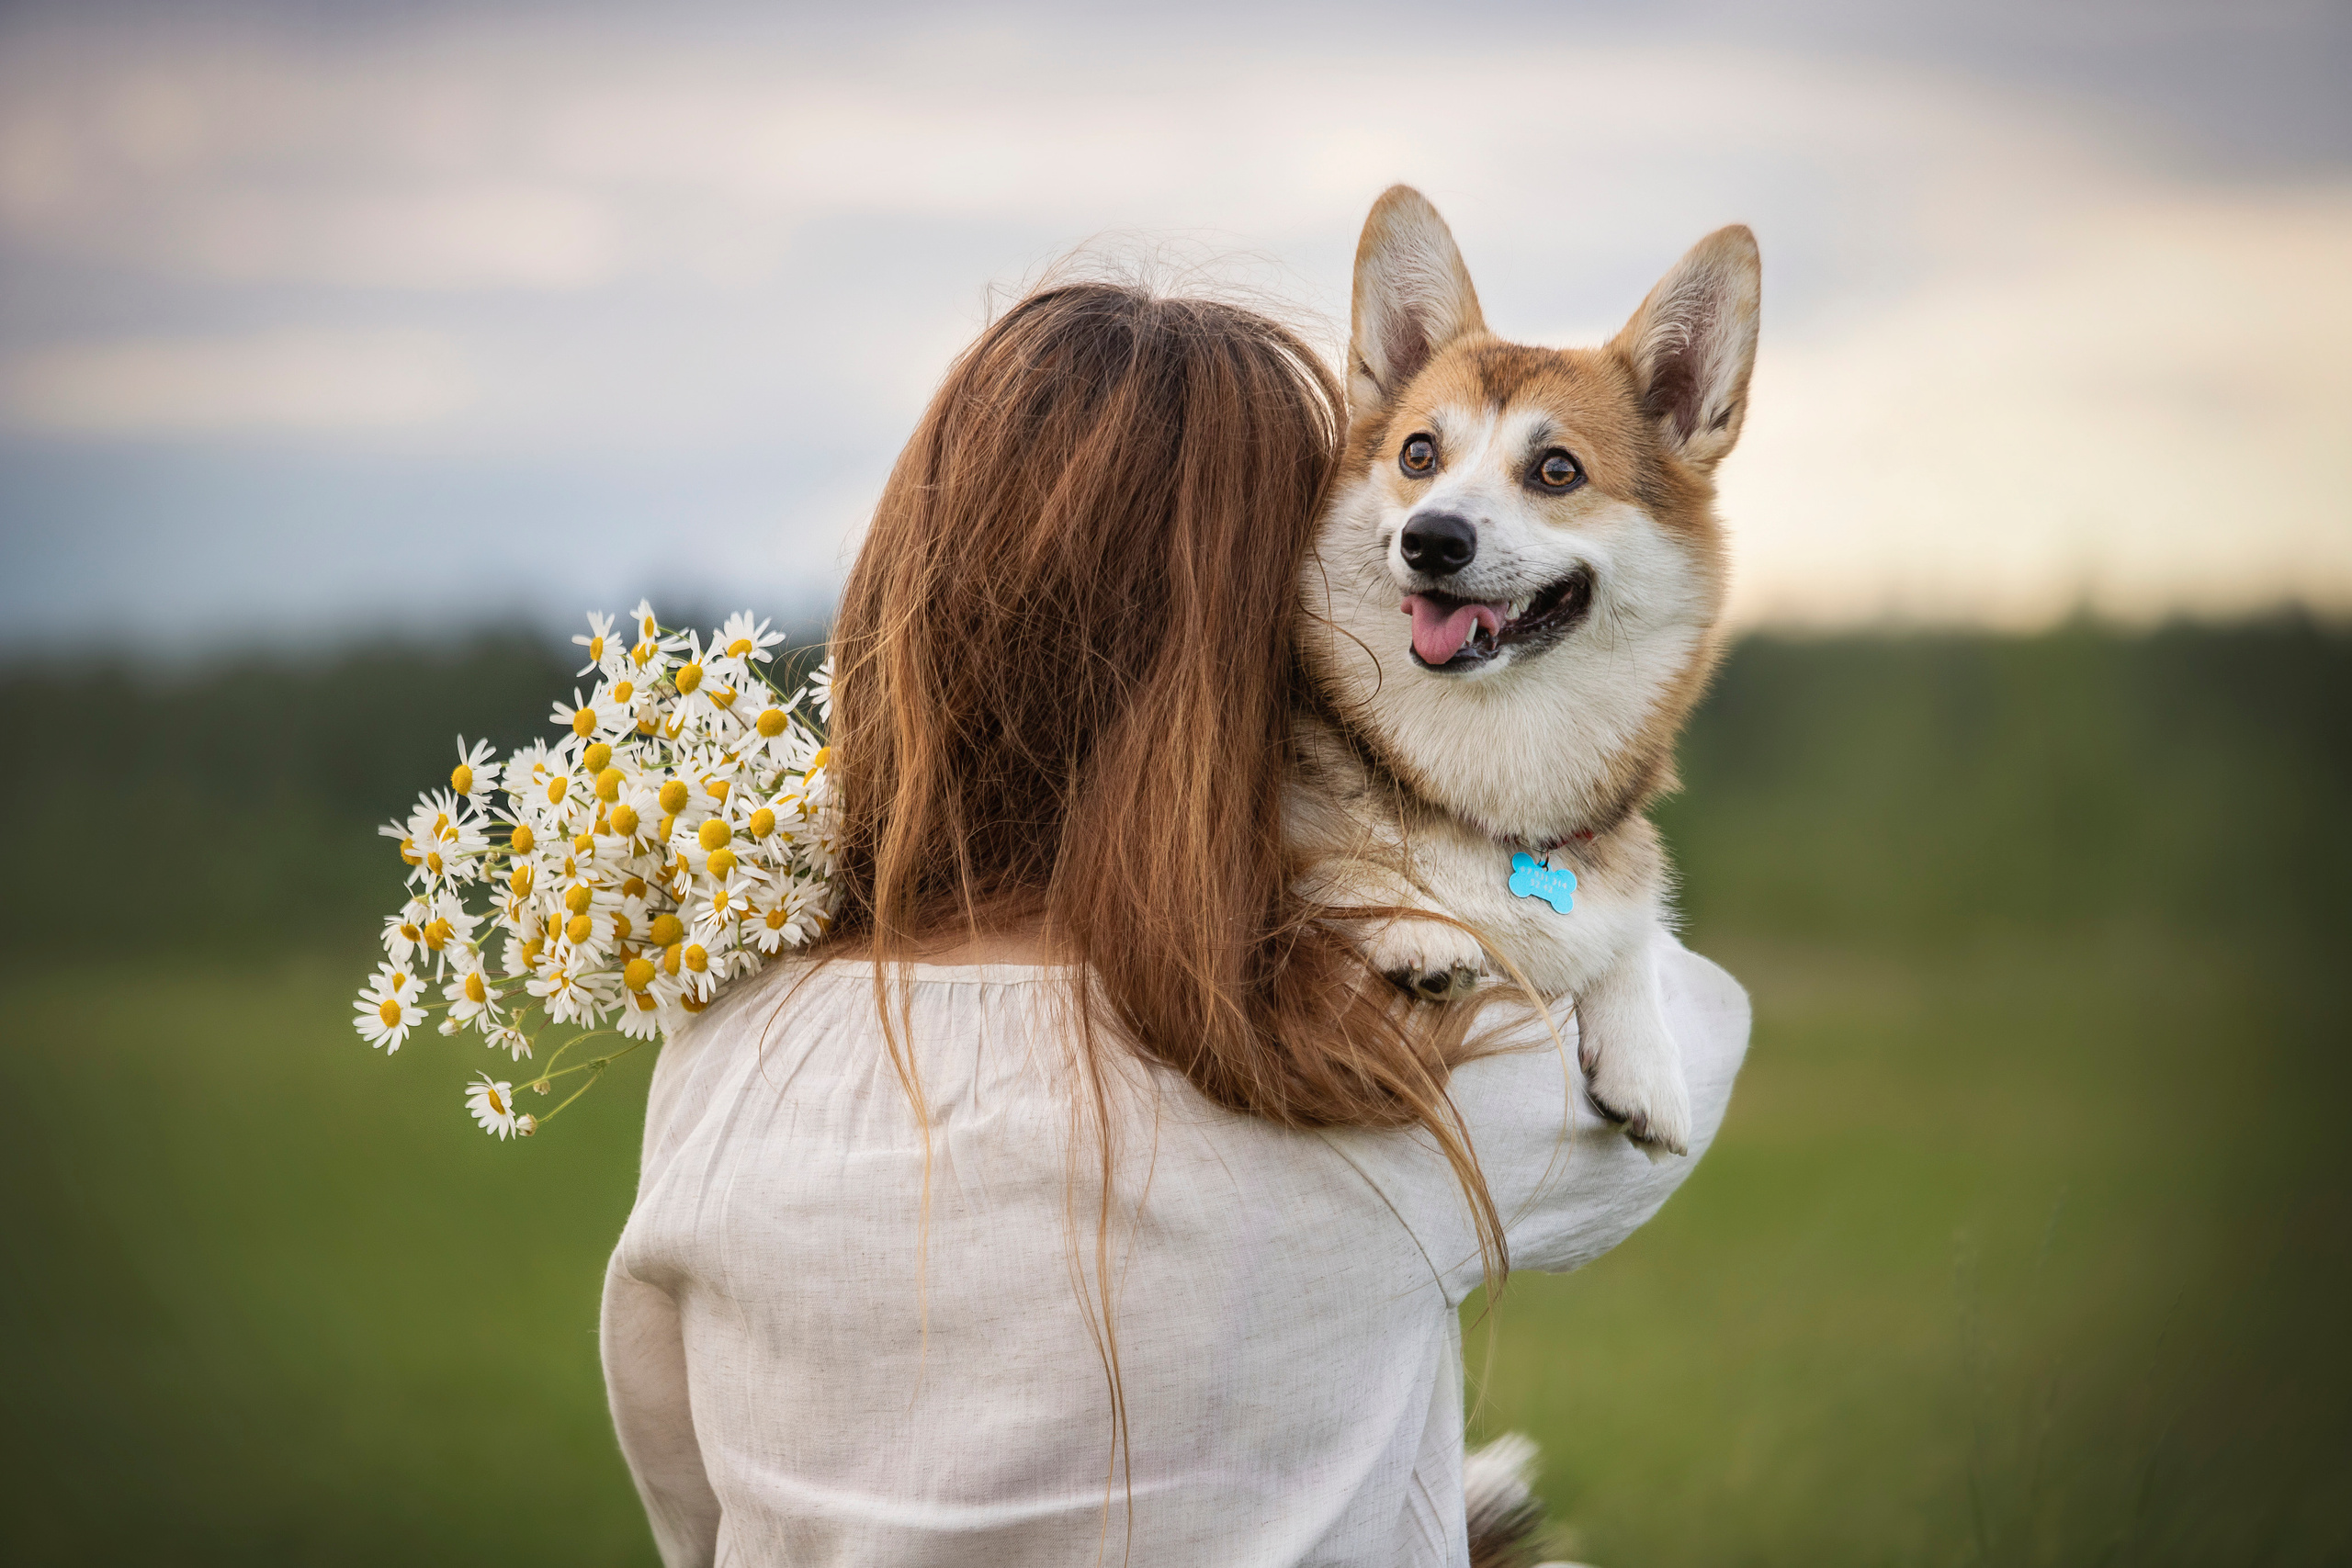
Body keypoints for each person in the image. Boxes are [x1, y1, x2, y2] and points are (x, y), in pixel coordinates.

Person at [600, 278, 1749, 1566]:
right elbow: (1692, 1056)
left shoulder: (723, 1053)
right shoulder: (1384, 1070)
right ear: (1263, 632)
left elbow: (694, 1518)